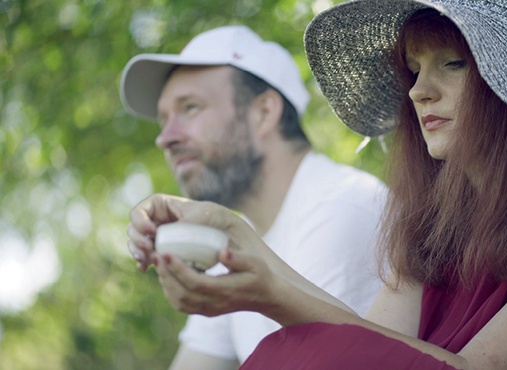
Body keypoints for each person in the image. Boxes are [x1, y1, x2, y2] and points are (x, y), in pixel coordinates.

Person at [128, 1, 507, 369]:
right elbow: (369, 347)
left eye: (453, 62)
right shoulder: (432, 219)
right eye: (414, 67)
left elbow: (478, 368)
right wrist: (240, 241)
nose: (419, 90)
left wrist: (269, 287)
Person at [120, 25, 387, 369]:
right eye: (163, 119)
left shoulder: (341, 208)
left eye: (190, 108)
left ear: (263, 113)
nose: (165, 138)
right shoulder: (231, 242)